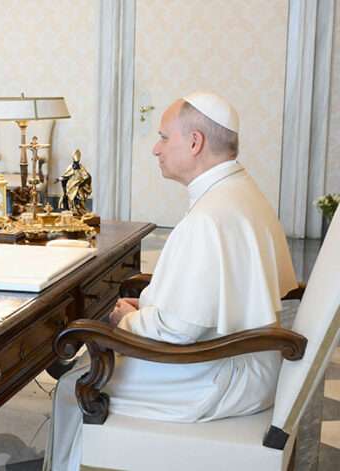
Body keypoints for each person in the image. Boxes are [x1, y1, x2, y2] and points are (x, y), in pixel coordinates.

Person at [44, 92, 298, 471]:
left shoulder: (208, 216)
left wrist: (120, 321)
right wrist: (145, 309)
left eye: (164, 137)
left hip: (224, 373)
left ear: (195, 143)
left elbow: (179, 329)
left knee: (74, 387)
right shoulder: (240, 190)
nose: (155, 149)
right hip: (247, 357)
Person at [56, 149, 92, 216]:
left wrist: (85, 180)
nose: (76, 164)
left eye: (77, 162)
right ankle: (72, 210)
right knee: (71, 198)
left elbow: (86, 175)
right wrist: (59, 179)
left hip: (79, 186)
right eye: (75, 163)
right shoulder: (70, 167)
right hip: (71, 186)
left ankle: (80, 211)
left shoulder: (81, 167)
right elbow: (65, 175)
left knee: (80, 198)